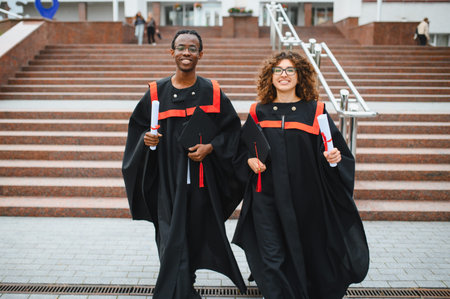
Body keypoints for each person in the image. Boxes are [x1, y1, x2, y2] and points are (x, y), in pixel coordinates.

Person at [232, 51, 370, 299]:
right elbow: (241, 152)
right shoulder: (258, 112)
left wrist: (332, 159)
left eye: (290, 70)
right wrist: (249, 160)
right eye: (278, 70)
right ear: (270, 76)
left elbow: (337, 152)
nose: (283, 75)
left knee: (306, 254)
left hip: (306, 199)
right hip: (266, 198)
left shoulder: (315, 112)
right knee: (271, 257)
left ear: (300, 76)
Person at [122, 29, 246, 299]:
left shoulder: (212, 92)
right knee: (171, 238)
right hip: (166, 180)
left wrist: (210, 147)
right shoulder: (156, 92)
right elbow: (138, 130)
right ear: (172, 52)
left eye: (192, 48)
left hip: (201, 182)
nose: (186, 53)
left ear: (200, 54)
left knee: (192, 234)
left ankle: (184, 286)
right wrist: (146, 139)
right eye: (181, 47)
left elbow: (232, 131)